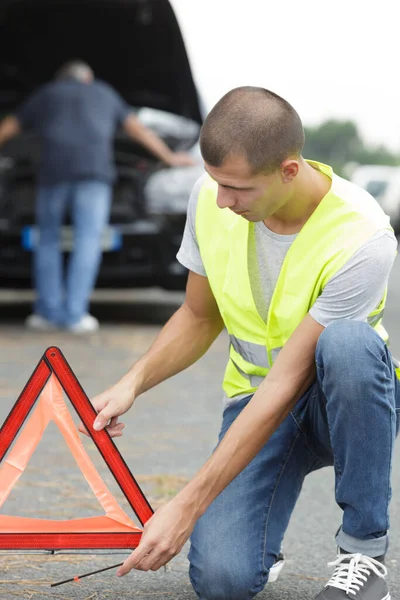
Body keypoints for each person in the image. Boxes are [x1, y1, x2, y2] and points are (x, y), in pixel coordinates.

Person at [80, 87, 399, 599]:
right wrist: (132, 383)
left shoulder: (362, 236)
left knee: (348, 345)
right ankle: (258, 542)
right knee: (223, 580)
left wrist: (185, 506)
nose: (222, 200)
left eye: (237, 188)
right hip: (257, 399)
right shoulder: (211, 198)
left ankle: (364, 553)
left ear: (289, 171)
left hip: (340, 398)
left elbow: (287, 383)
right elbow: (198, 315)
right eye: (215, 182)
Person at [0, 61, 194, 333]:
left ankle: (47, 312)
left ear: (60, 79)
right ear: (87, 78)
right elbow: (137, 130)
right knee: (88, 241)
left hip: (52, 174)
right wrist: (170, 157)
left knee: (48, 240)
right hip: (93, 175)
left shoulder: (46, 94)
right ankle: (75, 315)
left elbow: (9, 126)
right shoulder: (103, 92)